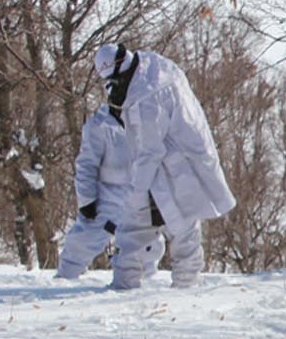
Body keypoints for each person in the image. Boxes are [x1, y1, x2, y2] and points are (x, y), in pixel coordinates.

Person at [93, 44, 235, 289]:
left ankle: (144, 286)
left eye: (112, 82)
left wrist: (137, 191)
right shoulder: (154, 68)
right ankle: (185, 283)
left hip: (172, 169)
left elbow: (149, 151)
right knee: (184, 226)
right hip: (184, 160)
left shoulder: (144, 97)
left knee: (140, 225)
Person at [55, 102, 163, 283]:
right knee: (85, 239)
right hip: (108, 196)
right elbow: (86, 165)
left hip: (139, 195)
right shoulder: (99, 125)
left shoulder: (146, 121)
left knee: (147, 241)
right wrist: (87, 200)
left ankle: (146, 280)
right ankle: (65, 277)